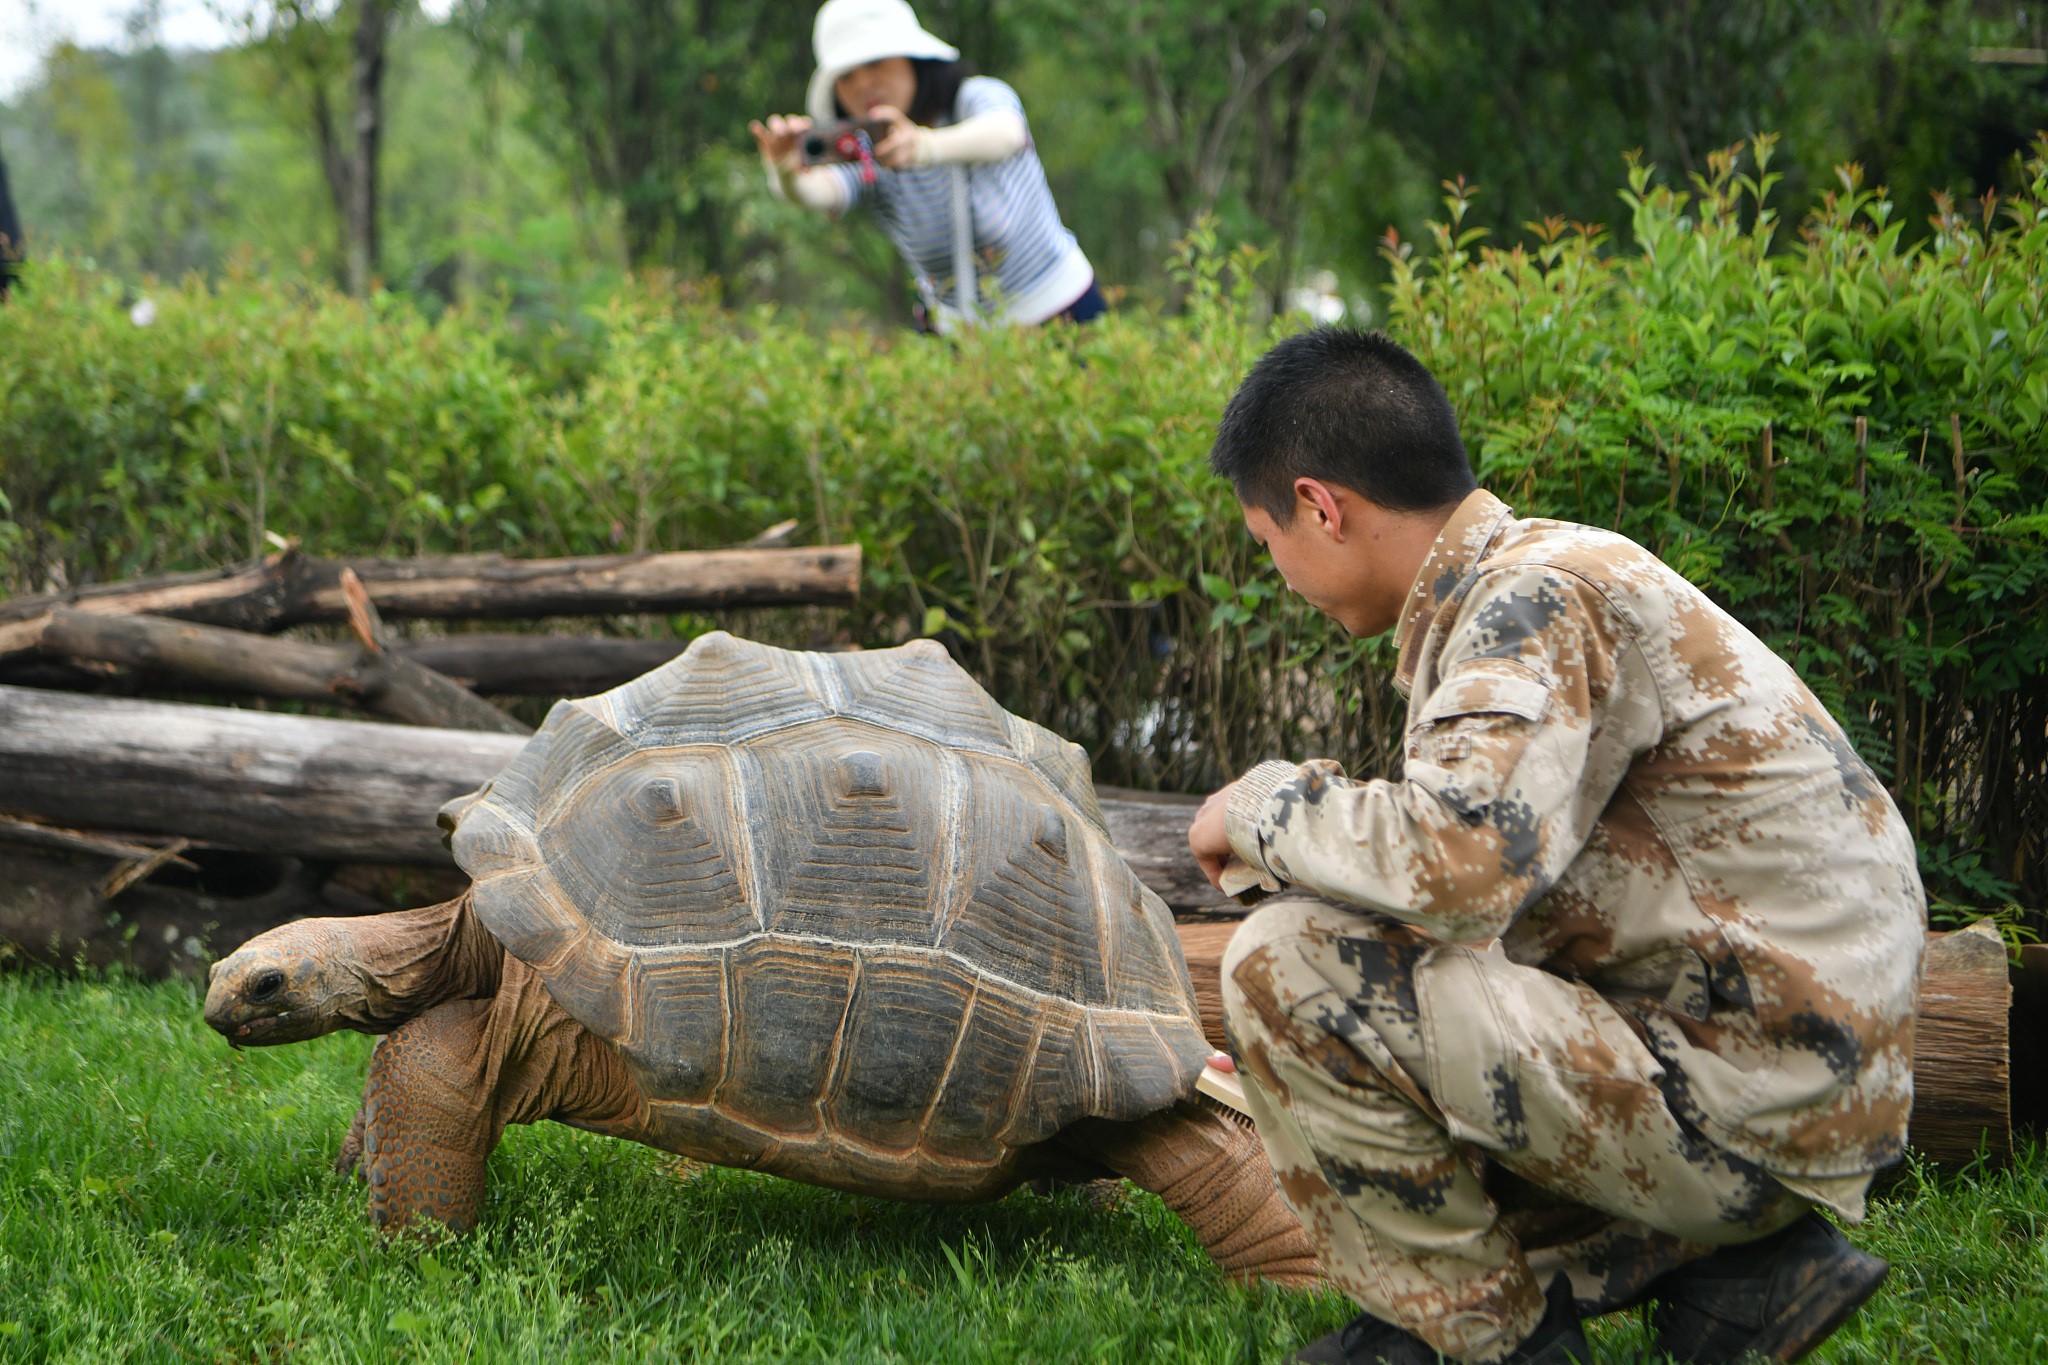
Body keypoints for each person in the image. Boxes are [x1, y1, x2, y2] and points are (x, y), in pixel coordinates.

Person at [1185, 328, 1924, 1365]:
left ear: (1319, 505)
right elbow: (1493, 885)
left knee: (1285, 969)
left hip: (1754, 1100)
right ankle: (1739, 1281)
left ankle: (1487, 1341)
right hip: (1770, 1070)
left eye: (1268, 543)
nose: (1280, 575)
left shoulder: (1530, 600)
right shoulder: (1531, 578)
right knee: (1356, 958)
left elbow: (1455, 863)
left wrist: (1263, 808)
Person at [749, 0, 1103, 331]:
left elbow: (1007, 132)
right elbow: (818, 191)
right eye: (846, 75)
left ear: (912, 58)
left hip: (1062, 312)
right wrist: (785, 169)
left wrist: (923, 146)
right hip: (956, 335)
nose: (863, 84)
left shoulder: (973, 99)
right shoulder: (866, 151)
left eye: (875, 62)